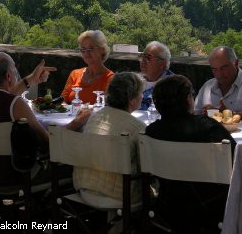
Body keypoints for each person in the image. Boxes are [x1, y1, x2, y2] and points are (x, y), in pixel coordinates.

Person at [0, 52, 90, 187]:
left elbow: (2, 97)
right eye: (14, 69)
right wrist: (76, 123)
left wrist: (31, 79)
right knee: (76, 166)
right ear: (9, 76)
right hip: (18, 176)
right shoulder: (15, 104)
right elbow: (48, 143)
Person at [146, 75, 236, 233]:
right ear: (188, 99)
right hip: (209, 205)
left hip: (168, 204)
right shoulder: (208, 128)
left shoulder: (152, 131)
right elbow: (235, 162)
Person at [73, 72, 146, 205]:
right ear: (131, 99)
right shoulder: (137, 127)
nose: (142, 97)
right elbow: (146, 166)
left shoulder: (95, 117)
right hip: (120, 194)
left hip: (85, 186)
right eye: (141, 93)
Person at [194, 46, 242, 120]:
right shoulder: (207, 87)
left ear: (236, 63)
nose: (219, 74)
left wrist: (228, 114)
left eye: (224, 68)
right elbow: (194, 115)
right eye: (214, 69)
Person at [61, 30, 114, 104]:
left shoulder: (110, 79)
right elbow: (63, 100)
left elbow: (110, 108)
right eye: (83, 49)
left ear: (102, 49)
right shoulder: (75, 74)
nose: (86, 53)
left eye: (91, 48)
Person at [139, 41, 174, 110]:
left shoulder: (173, 85)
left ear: (162, 63)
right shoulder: (133, 81)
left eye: (148, 58)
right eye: (142, 56)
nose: (143, 61)